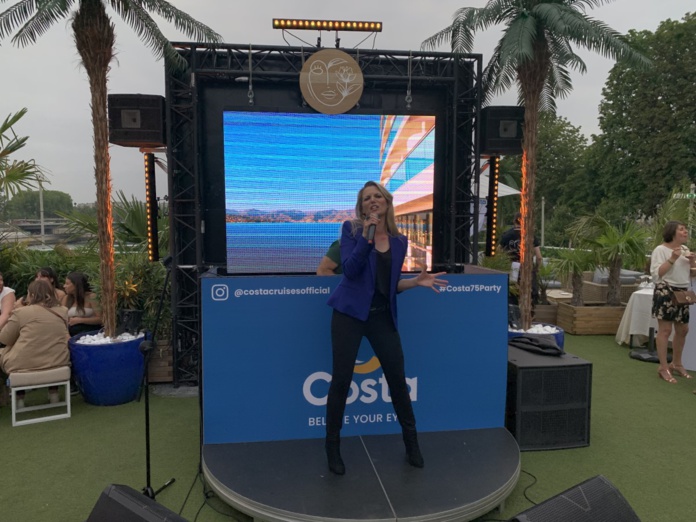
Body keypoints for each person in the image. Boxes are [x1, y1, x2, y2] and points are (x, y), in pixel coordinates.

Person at [324, 181, 447, 475]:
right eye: (366, 198)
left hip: (381, 317)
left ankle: (412, 444)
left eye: (377, 196)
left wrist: (415, 283)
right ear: (362, 206)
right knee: (341, 381)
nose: (372, 201)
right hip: (349, 315)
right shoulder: (351, 232)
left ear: (387, 202)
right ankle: (332, 448)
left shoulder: (400, 241)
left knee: (396, 380)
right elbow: (351, 271)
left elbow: (390, 287)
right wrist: (368, 235)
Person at [0, 279, 70, 407]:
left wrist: (14, 313)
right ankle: (53, 393)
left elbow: (4, 339)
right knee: (47, 345)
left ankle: (19, 397)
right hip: (58, 361)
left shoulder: (21, 312)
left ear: (31, 295)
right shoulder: (63, 311)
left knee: (13, 351)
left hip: (24, 365)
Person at [650, 220, 696, 383]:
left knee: (683, 329)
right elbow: (657, 274)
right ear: (672, 233)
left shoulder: (685, 249)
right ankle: (662, 367)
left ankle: (676, 363)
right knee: (665, 330)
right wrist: (672, 258)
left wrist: (692, 262)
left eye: (686, 230)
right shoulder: (660, 250)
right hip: (666, 290)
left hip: (683, 292)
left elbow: (692, 275)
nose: (685, 232)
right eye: (682, 230)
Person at [500, 212, 543, 301]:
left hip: (512, 266)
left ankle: (514, 311)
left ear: (514, 221)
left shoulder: (507, 235)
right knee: (529, 292)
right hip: (527, 267)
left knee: (513, 292)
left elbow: (497, 252)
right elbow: (539, 256)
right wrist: (537, 268)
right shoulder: (531, 235)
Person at [61, 272, 103, 337]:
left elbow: (101, 319)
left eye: (67, 284)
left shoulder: (91, 297)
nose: (64, 286)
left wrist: (80, 320)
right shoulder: (66, 298)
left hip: (89, 332)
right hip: (71, 333)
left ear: (76, 285)